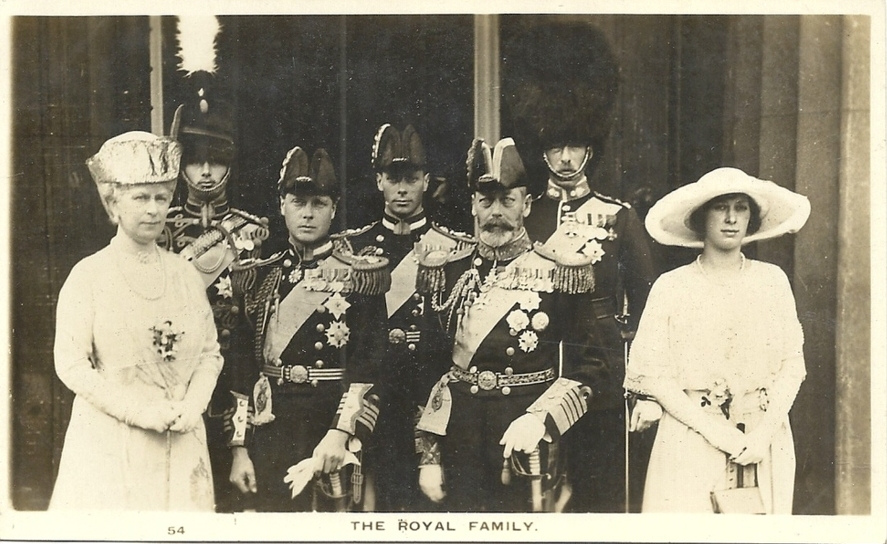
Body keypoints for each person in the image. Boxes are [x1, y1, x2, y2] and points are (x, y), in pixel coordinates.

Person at [504, 21, 659, 512]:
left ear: (591, 148)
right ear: (543, 149)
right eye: (556, 147)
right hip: (533, 371)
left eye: (575, 147)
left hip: (602, 381)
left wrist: (642, 386)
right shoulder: (526, 214)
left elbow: (649, 306)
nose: (566, 158)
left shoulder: (618, 217)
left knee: (596, 497)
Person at [413, 137, 610, 512]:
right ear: (473, 204)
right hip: (460, 441)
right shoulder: (448, 270)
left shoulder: (559, 272)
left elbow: (592, 365)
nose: (496, 212)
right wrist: (429, 456)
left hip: (528, 440)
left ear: (527, 205)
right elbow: (428, 369)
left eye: (507, 201)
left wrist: (543, 420)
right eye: (486, 202)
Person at [50, 131, 223, 510]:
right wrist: (138, 411)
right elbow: (71, 364)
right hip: (112, 444)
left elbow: (210, 354)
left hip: (182, 440)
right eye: (141, 198)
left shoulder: (184, 274)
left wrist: (194, 404)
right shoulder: (89, 275)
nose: (154, 210)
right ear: (113, 203)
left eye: (162, 198)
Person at [625, 167, 810, 513]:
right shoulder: (672, 286)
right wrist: (718, 433)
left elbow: (792, 364)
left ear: (751, 218)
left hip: (761, 440)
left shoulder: (772, 281)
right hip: (691, 436)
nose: (731, 219)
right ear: (701, 216)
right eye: (720, 207)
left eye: (741, 208)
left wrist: (763, 434)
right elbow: (654, 375)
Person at [226, 146, 390, 512]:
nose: (308, 213)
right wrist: (239, 447)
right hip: (271, 431)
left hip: (331, 428)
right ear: (282, 205)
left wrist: (340, 433)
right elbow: (241, 370)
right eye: (298, 203)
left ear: (334, 208)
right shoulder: (259, 276)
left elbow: (370, 368)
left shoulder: (360, 277)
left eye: (319, 203)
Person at [158, 95, 269, 513]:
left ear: (229, 165)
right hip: (177, 378)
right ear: (182, 166)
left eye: (216, 162)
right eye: (195, 161)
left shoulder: (252, 231)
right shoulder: (162, 229)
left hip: (236, 374)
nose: (206, 172)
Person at [339, 124, 451, 511]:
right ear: (379, 182)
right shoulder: (352, 248)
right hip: (373, 395)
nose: (402, 189)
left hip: (425, 396)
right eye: (393, 179)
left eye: (411, 179)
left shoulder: (451, 248)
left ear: (426, 182)